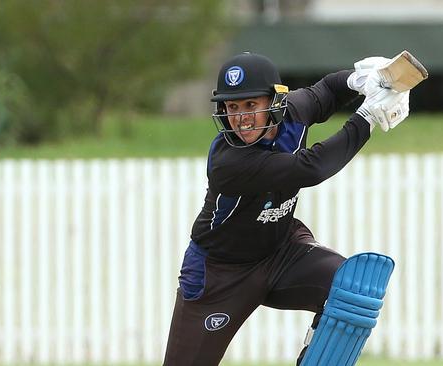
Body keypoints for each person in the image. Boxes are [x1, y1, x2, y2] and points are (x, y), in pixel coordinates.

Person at [163, 52, 408, 365]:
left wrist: (361, 80)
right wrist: (368, 118)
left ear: (275, 101)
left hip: (282, 252)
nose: (241, 118)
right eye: (232, 107)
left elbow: (328, 89)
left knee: (351, 288)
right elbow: (312, 167)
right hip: (220, 274)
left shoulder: (294, 111)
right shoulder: (229, 162)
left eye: (251, 105)